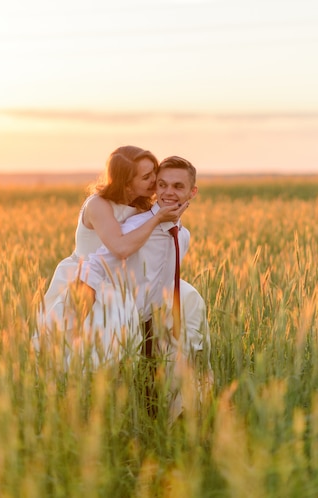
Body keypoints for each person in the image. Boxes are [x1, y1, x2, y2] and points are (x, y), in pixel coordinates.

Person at [77, 156, 212, 416]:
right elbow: (96, 265)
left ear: (192, 192)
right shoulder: (137, 227)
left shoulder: (182, 235)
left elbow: (164, 278)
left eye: (178, 186)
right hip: (121, 320)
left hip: (152, 319)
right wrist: (80, 313)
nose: (168, 192)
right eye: (162, 185)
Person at [32, 146, 188, 368]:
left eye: (154, 171)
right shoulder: (98, 205)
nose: (154, 180)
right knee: (80, 352)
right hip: (87, 281)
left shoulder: (143, 205)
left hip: (122, 281)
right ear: (126, 183)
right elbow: (120, 248)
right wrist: (157, 219)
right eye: (146, 176)